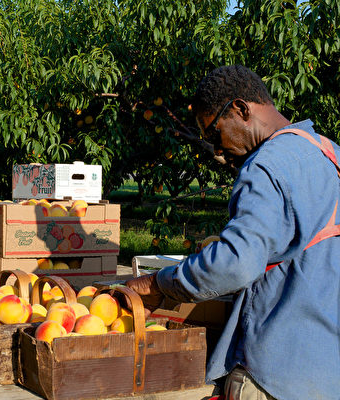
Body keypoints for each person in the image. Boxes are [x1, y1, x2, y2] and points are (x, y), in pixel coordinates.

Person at [125, 65, 339, 400]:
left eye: (213, 134)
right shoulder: (330, 155)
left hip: (275, 376)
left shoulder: (266, 166)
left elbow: (235, 264)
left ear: (240, 109)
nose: (219, 154)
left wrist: (159, 283)